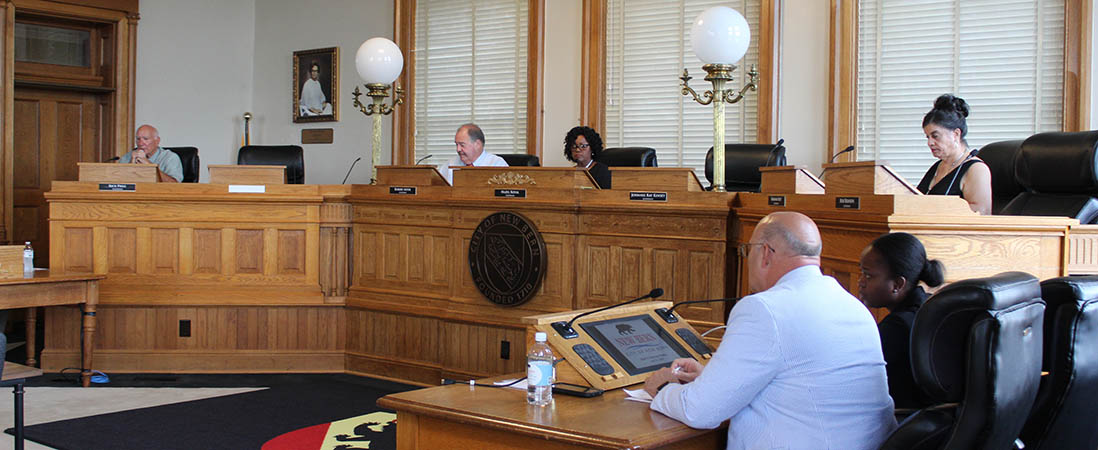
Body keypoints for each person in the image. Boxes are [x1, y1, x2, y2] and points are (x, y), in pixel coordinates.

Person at [643, 211, 896, 450]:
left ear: (765, 253)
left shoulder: (764, 308)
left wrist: (663, 389)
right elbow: (799, 379)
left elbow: (700, 412)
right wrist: (711, 378)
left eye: (746, 251)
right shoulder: (852, 305)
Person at [858, 232, 943, 409]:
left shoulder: (898, 327)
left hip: (905, 422)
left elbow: (865, 384)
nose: (860, 282)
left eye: (868, 276)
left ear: (897, 284)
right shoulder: (927, 304)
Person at [916, 94, 992, 215]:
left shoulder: (976, 169)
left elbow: (982, 213)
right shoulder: (937, 167)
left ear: (956, 134)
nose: (930, 143)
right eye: (928, 137)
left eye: (935, 136)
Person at [440, 123, 508, 184]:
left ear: (477, 144)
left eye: (462, 145)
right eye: (456, 144)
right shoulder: (450, 165)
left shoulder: (497, 164)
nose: (458, 149)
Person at [118, 124, 183, 183]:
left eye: (145, 139)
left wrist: (150, 166)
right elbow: (117, 183)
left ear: (157, 141)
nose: (140, 143)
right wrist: (130, 165)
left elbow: (174, 184)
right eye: (138, 139)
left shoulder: (170, 157)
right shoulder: (127, 157)